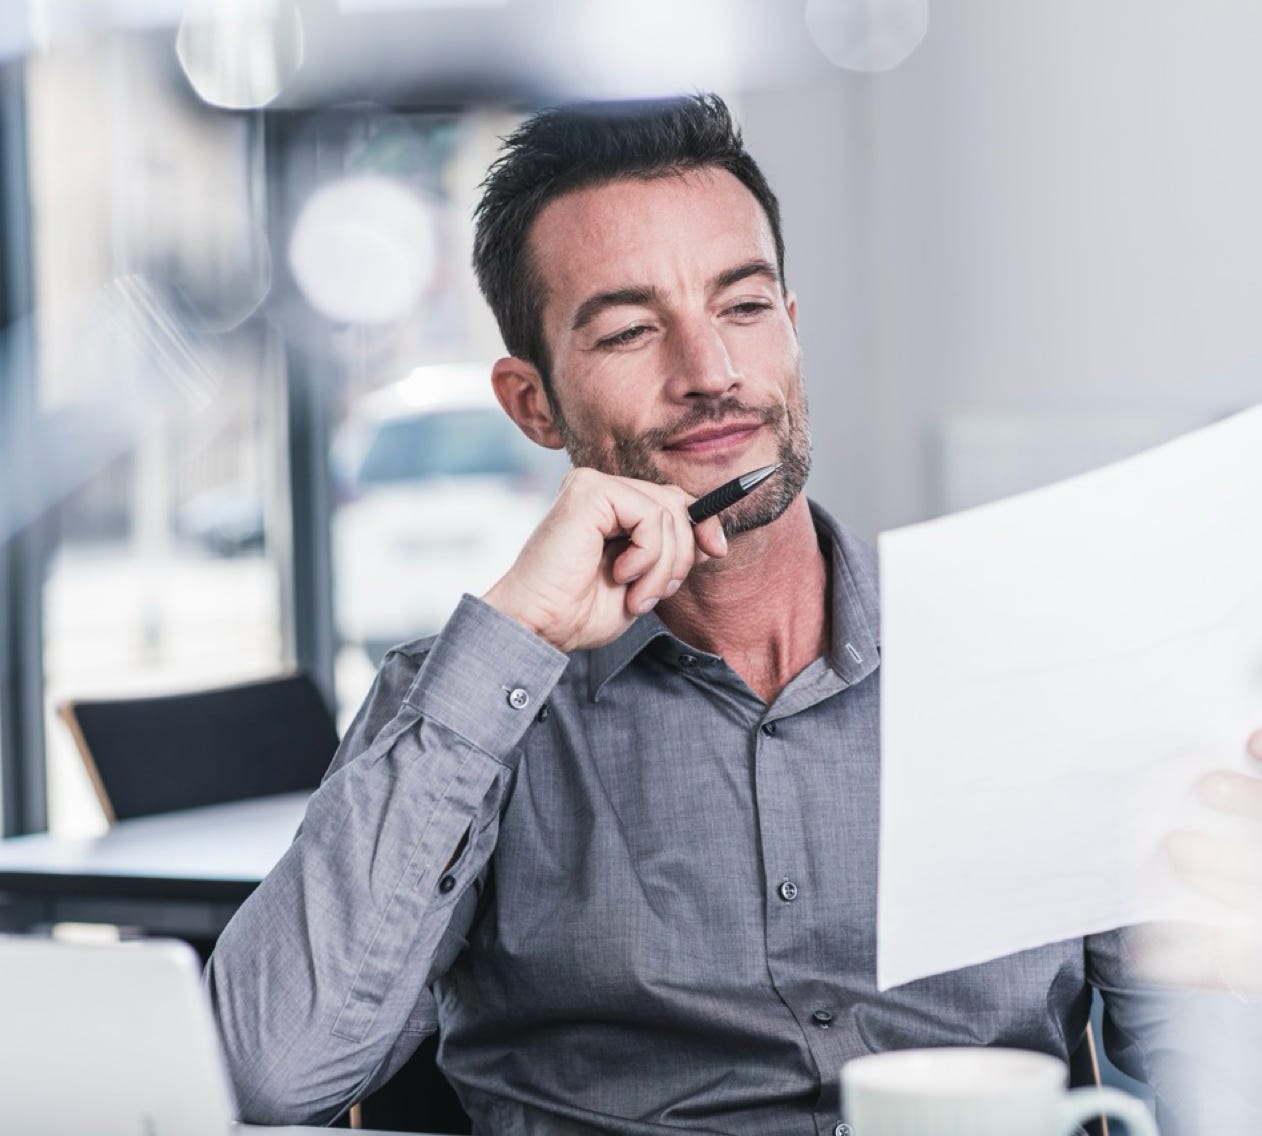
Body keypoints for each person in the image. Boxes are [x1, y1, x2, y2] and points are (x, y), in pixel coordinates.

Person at [206, 93, 1259, 1135]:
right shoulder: (466, 706)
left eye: (743, 308)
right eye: (628, 329)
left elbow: (1214, 1083)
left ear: (790, 335)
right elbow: (266, 1073)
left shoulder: (1042, 668)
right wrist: (517, 627)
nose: (709, 373)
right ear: (533, 403)